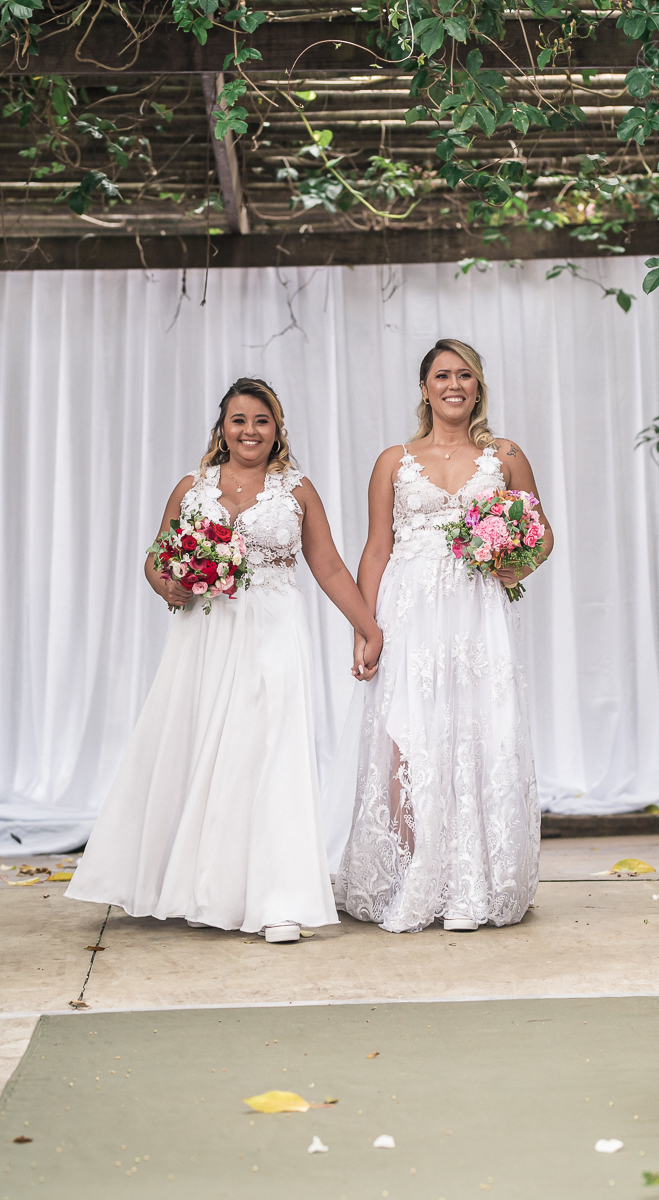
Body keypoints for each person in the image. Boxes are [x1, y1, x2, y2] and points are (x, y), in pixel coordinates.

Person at [66, 377, 382, 943]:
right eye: (239, 420)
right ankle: (197, 885)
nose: (250, 431)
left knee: (271, 750)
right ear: (222, 429)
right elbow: (158, 557)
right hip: (206, 634)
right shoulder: (193, 487)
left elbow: (329, 566)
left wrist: (367, 626)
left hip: (274, 629)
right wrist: (169, 586)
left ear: (276, 429)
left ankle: (278, 898)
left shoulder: (298, 490)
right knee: (202, 747)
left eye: (261, 421)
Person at [334, 339, 553, 934]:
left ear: (478, 386)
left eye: (464, 375)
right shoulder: (394, 460)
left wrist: (517, 565)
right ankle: (411, 875)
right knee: (408, 740)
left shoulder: (504, 456)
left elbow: (540, 533)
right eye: (441, 375)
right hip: (409, 613)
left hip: (479, 613)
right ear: (424, 387)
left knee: (479, 733)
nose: (452, 385)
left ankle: (471, 881)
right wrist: (366, 628)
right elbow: (377, 548)